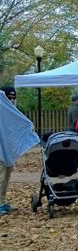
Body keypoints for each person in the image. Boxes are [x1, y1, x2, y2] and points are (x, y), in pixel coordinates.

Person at [0, 86, 38, 215]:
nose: (11, 101)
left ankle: (2, 202)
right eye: (8, 98)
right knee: (1, 175)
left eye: (13, 98)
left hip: (7, 149)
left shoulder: (11, 111)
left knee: (6, 175)